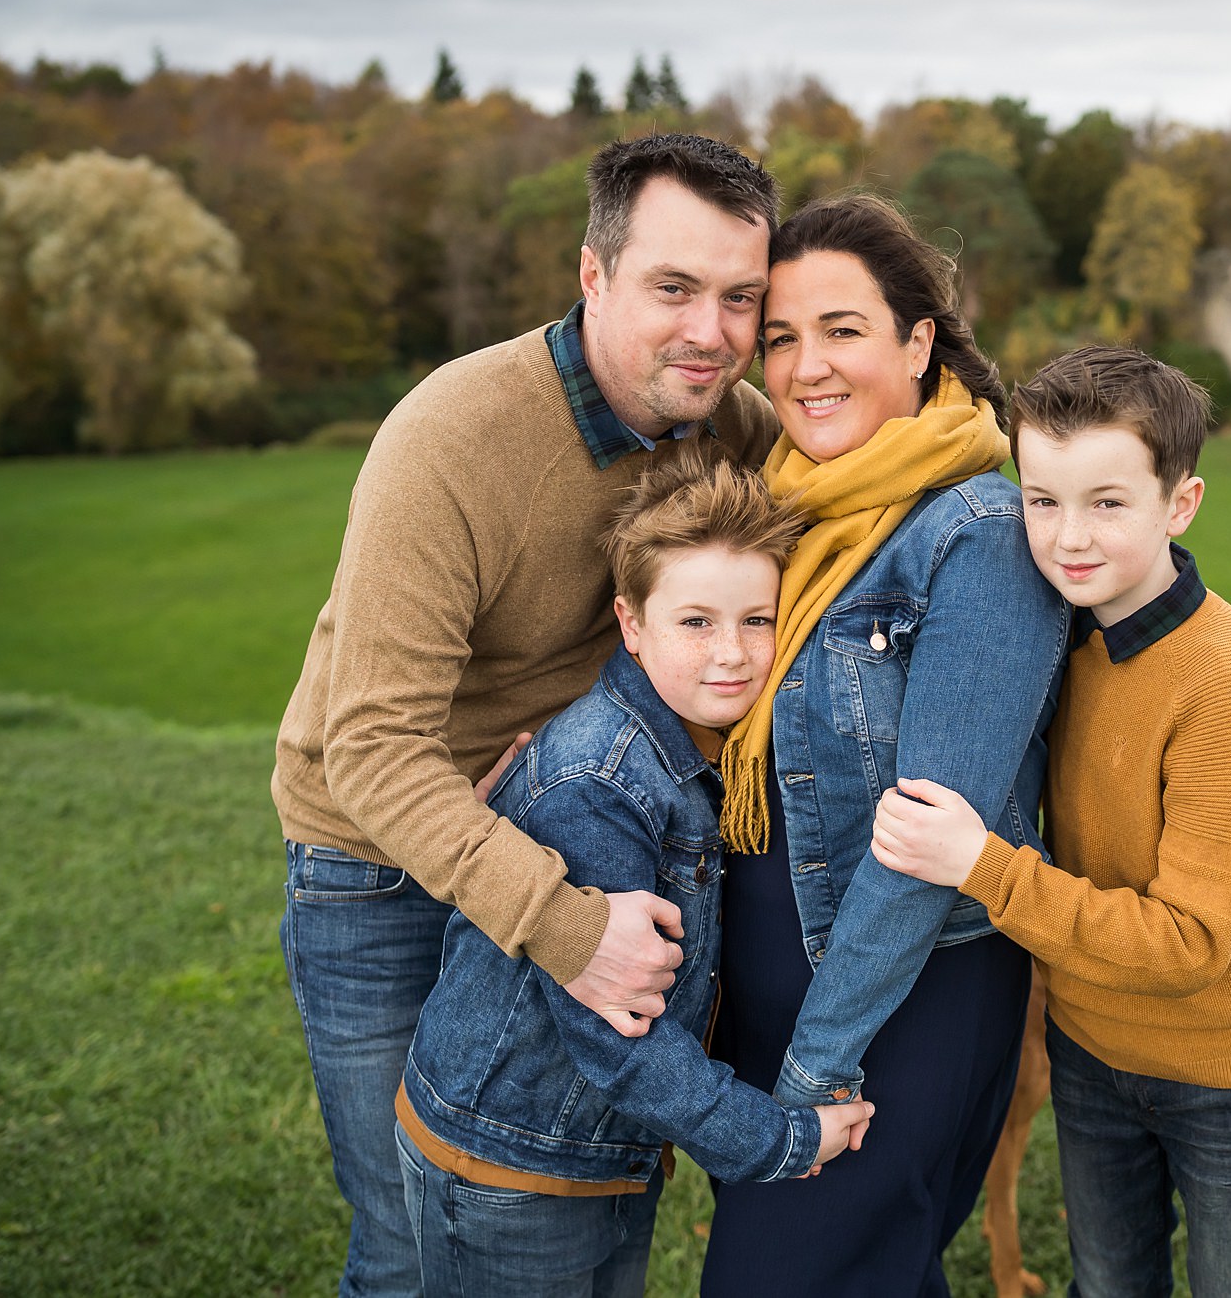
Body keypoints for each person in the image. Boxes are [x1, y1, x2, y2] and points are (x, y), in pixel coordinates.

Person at [271, 133, 781, 1296]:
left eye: (739, 297)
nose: (711, 331)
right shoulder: (451, 437)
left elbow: (866, 445)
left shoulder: (729, 424)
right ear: (592, 275)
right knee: (410, 1232)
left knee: (571, 1183)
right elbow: (372, 749)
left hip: (564, 829)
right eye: (672, 288)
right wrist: (561, 925)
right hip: (375, 862)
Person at [872, 346, 1231, 1298]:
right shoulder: (1060, 632)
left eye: (1108, 503)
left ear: (1181, 504)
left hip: (1226, 1070)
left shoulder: (1224, 681)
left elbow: (1192, 941)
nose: (1068, 536)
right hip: (1088, 1051)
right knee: (1111, 1284)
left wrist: (981, 867)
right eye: (1042, 500)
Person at [699, 194, 1068, 1297]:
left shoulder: (980, 536)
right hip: (762, 991)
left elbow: (923, 840)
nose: (805, 365)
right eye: (781, 336)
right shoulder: (785, 510)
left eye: (843, 330)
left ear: (918, 342)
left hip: (897, 1007)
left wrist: (817, 1066)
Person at [395, 452, 874, 1298]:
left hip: (601, 1151)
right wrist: (780, 1139)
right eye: (696, 622)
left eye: (756, 620)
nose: (732, 653)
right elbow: (618, 1039)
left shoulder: (712, 743)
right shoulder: (603, 784)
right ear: (631, 622)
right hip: (509, 1162)